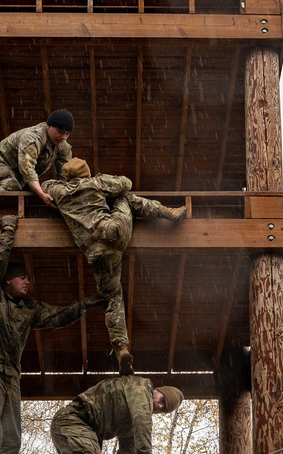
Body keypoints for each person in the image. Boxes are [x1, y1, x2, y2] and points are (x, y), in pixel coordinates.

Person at [0, 215, 100, 454]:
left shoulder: (30, 309)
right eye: (22, 278)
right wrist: (8, 230)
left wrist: (85, 305)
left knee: (12, 433)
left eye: (28, 278)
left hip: (10, 374)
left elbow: (58, 316)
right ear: (8, 281)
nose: (27, 282)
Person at [46, 158, 185, 375]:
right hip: (115, 233)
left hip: (96, 253)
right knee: (126, 198)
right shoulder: (97, 183)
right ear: (87, 173)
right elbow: (125, 183)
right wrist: (102, 184)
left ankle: (121, 348)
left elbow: (45, 186)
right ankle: (167, 212)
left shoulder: (58, 190)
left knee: (112, 297)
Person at [3, 377, 184, 454]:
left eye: (164, 409)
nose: (160, 406)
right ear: (157, 391)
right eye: (162, 400)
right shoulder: (140, 388)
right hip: (71, 420)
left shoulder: (131, 424)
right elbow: (143, 424)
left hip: (83, 431)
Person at [0, 109, 75, 207]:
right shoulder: (31, 138)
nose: (63, 137)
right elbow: (27, 171)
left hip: (20, 177)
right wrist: (42, 194)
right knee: (12, 186)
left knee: (32, 198)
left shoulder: (63, 147)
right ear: (48, 126)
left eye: (67, 134)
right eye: (60, 131)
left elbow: (66, 175)